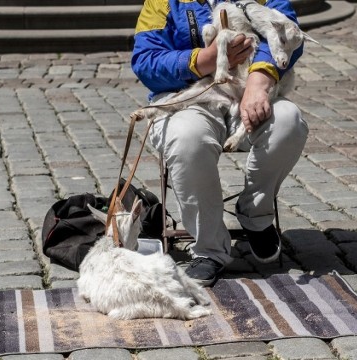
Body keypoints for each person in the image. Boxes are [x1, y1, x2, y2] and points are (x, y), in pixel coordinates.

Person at [131, 0, 309, 286]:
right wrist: (204, 59)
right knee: (187, 138)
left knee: (288, 121)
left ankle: (255, 213)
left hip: (249, 93)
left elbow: (289, 31)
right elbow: (145, 61)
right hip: (188, 99)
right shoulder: (163, 2)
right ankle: (209, 249)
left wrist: (259, 81)